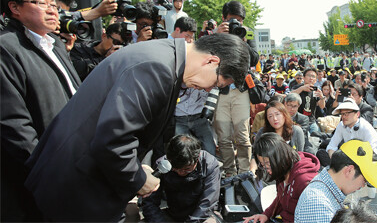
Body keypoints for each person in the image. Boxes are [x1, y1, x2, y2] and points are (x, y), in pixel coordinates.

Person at [24, 34, 250, 221]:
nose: (207, 89)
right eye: (217, 84)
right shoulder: (157, 67)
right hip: (75, 189)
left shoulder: (162, 55)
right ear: (211, 61)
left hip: (78, 180)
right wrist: (139, 180)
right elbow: (113, 140)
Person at [1, 0, 82, 220]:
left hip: (72, 162)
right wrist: (51, 171)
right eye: (41, 3)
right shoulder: (7, 47)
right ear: (15, 8)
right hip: (42, 176)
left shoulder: (55, 43)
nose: (52, 10)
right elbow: (14, 125)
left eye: (54, 5)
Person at [212, 0, 259, 177]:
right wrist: (217, 36)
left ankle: (245, 174)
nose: (236, 24)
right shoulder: (216, 34)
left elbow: (254, 60)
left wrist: (243, 40)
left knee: (243, 136)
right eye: (232, 20)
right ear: (224, 18)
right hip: (221, 92)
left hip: (241, 91)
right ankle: (230, 174)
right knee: (223, 138)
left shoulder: (247, 33)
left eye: (239, 20)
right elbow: (204, 54)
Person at [295, 140, 377, 223]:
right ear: (349, 170)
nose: (363, 186)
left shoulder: (325, 188)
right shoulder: (319, 206)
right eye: (365, 180)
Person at [243, 132, 320, 223]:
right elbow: (281, 197)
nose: (266, 169)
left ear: (279, 156)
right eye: (263, 165)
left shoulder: (304, 181)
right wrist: (266, 215)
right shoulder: (283, 170)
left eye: (268, 163)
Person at [142, 135, 220, 222]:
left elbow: (207, 204)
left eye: (187, 169)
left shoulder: (209, 164)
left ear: (197, 159)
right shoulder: (162, 165)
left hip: (202, 216)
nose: (181, 173)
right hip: (174, 214)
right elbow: (150, 202)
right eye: (176, 169)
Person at [324, 99, 377, 163]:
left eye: (347, 113)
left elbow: (373, 155)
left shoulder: (366, 128)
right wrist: (335, 161)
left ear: (357, 114)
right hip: (349, 159)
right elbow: (332, 146)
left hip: (367, 161)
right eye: (342, 114)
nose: (344, 117)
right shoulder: (341, 125)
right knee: (321, 153)